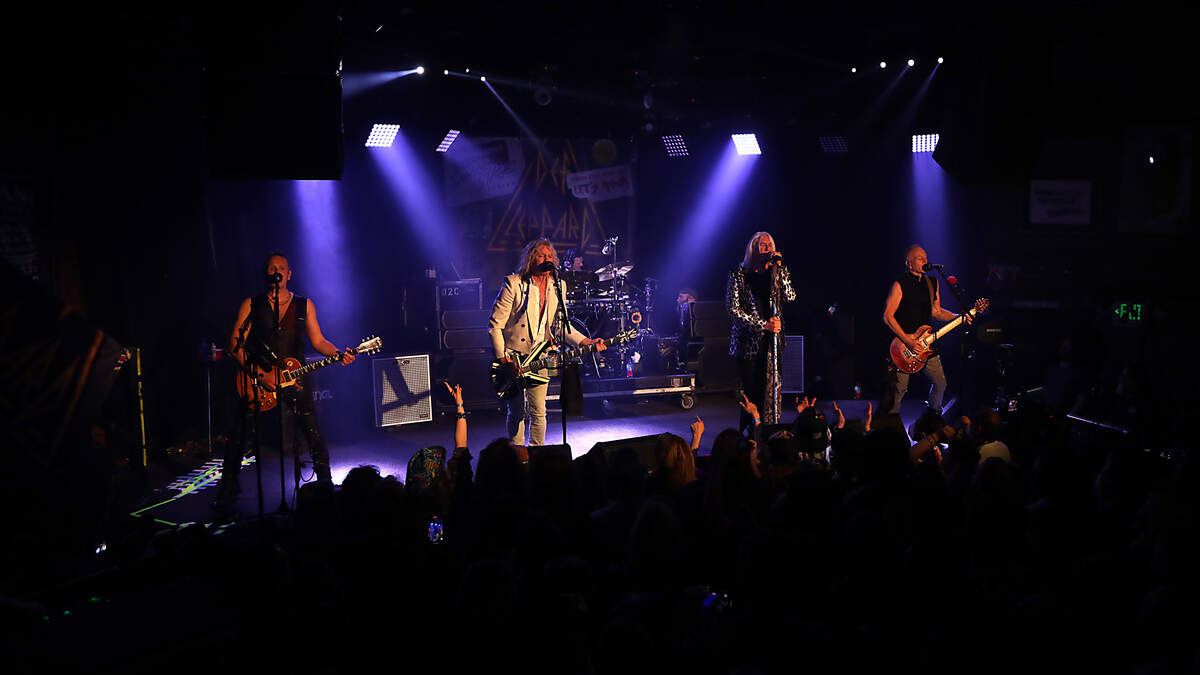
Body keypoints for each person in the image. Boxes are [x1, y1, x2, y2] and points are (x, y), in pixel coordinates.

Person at [217, 251, 354, 503]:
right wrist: (261, 375)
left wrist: (337, 353)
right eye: (272, 268)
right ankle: (227, 490)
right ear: (265, 273)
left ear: (289, 274)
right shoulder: (251, 304)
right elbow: (235, 346)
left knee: (312, 430)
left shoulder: (304, 305)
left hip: (294, 376)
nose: (276, 272)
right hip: (258, 379)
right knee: (240, 434)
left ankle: (325, 482)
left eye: (281, 268)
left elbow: (319, 341)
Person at [488, 238, 605, 447]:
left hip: (541, 356)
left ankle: (537, 452)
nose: (547, 259)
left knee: (539, 411)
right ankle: (517, 454)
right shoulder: (514, 283)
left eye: (550, 256)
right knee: (517, 410)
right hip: (513, 357)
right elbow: (495, 326)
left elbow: (561, 326)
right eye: (541, 256)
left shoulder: (558, 286)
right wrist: (503, 359)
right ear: (531, 259)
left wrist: (585, 341)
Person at [881, 244, 970, 417]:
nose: (925, 261)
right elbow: (887, 316)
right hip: (903, 347)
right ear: (908, 263)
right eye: (919, 258)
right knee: (899, 390)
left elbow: (936, 311)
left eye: (926, 258)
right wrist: (908, 341)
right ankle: (889, 425)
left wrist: (958, 317)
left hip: (926, 343)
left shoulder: (932, 283)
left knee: (941, 383)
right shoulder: (899, 284)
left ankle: (931, 419)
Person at [726, 231, 796, 428]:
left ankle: (768, 432)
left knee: (771, 393)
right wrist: (762, 324)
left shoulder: (776, 272)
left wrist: (780, 269)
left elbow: (790, 296)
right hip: (747, 344)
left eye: (770, 245)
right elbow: (733, 310)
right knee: (751, 393)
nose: (768, 248)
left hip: (772, 342)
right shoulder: (739, 274)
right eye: (763, 245)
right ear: (753, 249)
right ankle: (747, 435)